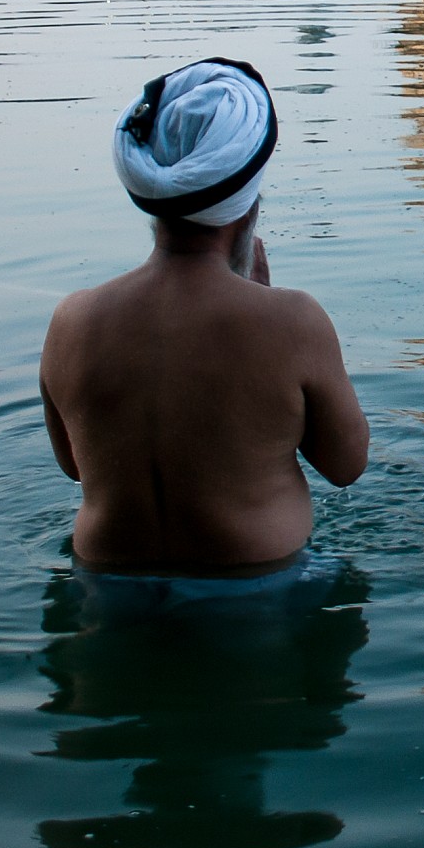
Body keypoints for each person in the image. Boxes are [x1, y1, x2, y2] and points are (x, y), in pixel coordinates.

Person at [39, 58, 368, 599]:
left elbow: (74, 468)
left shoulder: (72, 320)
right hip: (260, 592)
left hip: (105, 592)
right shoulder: (291, 321)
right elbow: (346, 466)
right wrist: (261, 305)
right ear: (249, 201)